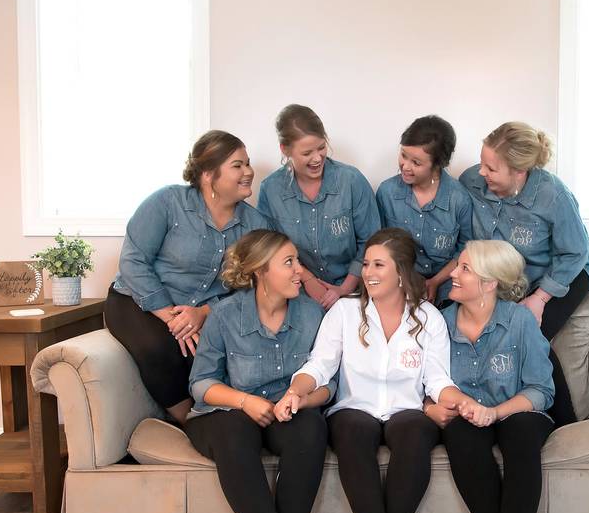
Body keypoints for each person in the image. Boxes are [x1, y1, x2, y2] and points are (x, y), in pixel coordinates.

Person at [292, 227, 481, 513]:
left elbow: (437, 381)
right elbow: (319, 366)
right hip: (354, 407)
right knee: (351, 432)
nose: (368, 272)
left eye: (379, 264)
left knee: (415, 435)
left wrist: (458, 400)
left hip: (407, 410)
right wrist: (297, 391)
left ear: (401, 273)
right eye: (366, 264)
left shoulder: (429, 317)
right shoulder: (345, 313)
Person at [186, 230, 329, 513]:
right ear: (259, 271)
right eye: (289, 262)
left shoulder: (313, 314)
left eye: (298, 260)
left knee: (311, 430)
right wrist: (245, 401)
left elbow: (329, 385)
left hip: (286, 413)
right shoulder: (224, 314)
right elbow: (201, 383)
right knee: (234, 433)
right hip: (228, 413)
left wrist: (298, 399)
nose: (301, 271)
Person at [107, 131, 271, 425]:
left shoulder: (255, 225)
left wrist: (205, 313)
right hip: (137, 301)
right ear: (209, 175)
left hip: (201, 313)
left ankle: (221, 420)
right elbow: (133, 261)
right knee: (160, 349)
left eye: (248, 163)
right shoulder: (168, 202)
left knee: (215, 357)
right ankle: (190, 422)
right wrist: (173, 318)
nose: (248, 172)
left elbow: (254, 286)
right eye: (237, 165)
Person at [425, 240, 554, 513]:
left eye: (464, 268)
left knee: (522, 434)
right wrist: (432, 407)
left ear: (490, 282)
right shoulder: (438, 322)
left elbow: (541, 390)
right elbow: (425, 381)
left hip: (516, 412)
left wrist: (495, 412)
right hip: (465, 417)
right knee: (461, 438)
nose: (452, 272)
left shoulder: (520, 320)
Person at [459, 122, 589, 427]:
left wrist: (541, 298)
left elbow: (575, 253)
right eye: (482, 163)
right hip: (510, 281)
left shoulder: (552, 195)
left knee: (528, 334)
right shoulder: (472, 181)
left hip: (562, 277)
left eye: (491, 168)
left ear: (519, 172)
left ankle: (566, 425)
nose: (481, 172)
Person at [257, 104, 381, 310]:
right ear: (285, 150)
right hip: (298, 289)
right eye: (307, 153)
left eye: (321, 147)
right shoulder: (271, 189)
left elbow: (371, 241)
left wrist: (344, 289)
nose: (317, 158)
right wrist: (307, 279)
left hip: (355, 288)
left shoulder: (351, 180)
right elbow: (271, 248)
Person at [375, 115, 472, 305]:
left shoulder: (459, 199)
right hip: (399, 279)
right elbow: (380, 247)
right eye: (403, 155)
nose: (406, 166)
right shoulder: (387, 192)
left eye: (416, 163)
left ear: (438, 164)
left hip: (446, 282)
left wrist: (435, 282)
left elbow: (464, 250)